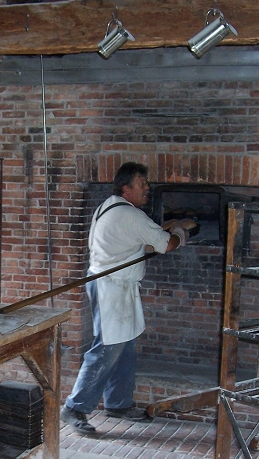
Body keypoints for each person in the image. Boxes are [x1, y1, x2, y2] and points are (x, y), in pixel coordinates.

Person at [61, 162, 189, 434]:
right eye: (142, 183)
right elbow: (166, 244)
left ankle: (118, 403)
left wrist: (168, 227)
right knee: (107, 348)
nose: (147, 188)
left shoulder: (109, 207)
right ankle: (74, 407)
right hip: (111, 289)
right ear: (126, 188)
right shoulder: (130, 215)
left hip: (110, 284)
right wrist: (181, 232)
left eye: (147, 183)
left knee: (125, 345)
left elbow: (141, 238)